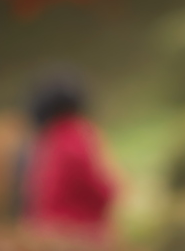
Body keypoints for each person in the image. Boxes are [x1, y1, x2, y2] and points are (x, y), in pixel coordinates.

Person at [21, 74, 118, 238]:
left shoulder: (46, 140)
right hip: (80, 233)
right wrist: (113, 190)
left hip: (50, 233)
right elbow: (96, 184)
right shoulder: (73, 135)